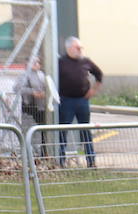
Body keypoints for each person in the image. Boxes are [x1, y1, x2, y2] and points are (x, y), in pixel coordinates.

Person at [57, 36, 102, 168]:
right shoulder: (60, 62)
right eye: (78, 47)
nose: (80, 50)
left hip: (82, 100)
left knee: (85, 130)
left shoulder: (86, 61)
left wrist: (93, 90)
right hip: (66, 101)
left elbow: (99, 75)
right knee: (62, 130)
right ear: (69, 48)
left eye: (81, 47)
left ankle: (91, 160)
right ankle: (60, 160)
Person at [17, 56, 57, 163]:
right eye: (34, 62)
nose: (37, 64)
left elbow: (47, 87)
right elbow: (17, 88)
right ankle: (29, 154)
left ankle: (43, 153)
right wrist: (32, 92)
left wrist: (45, 93)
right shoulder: (24, 75)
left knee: (42, 131)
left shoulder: (42, 75)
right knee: (29, 131)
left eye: (38, 62)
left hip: (41, 107)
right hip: (29, 107)